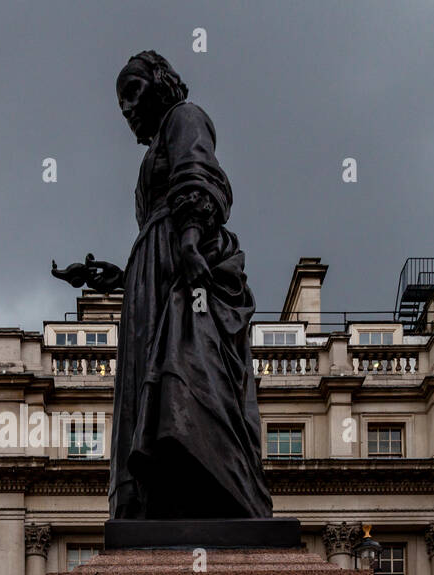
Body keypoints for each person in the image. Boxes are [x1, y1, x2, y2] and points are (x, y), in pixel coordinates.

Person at [110, 51, 274, 520]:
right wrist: (121, 274)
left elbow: (198, 175)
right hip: (153, 267)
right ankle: (153, 496)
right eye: (121, 100)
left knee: (185, 371)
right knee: (149, 382)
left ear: (160, 84)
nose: (126, 109)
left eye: (133, 92)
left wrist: (187, 239)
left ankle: (204, 471)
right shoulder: (153, 148)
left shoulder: (186, 117)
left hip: (178, 256)